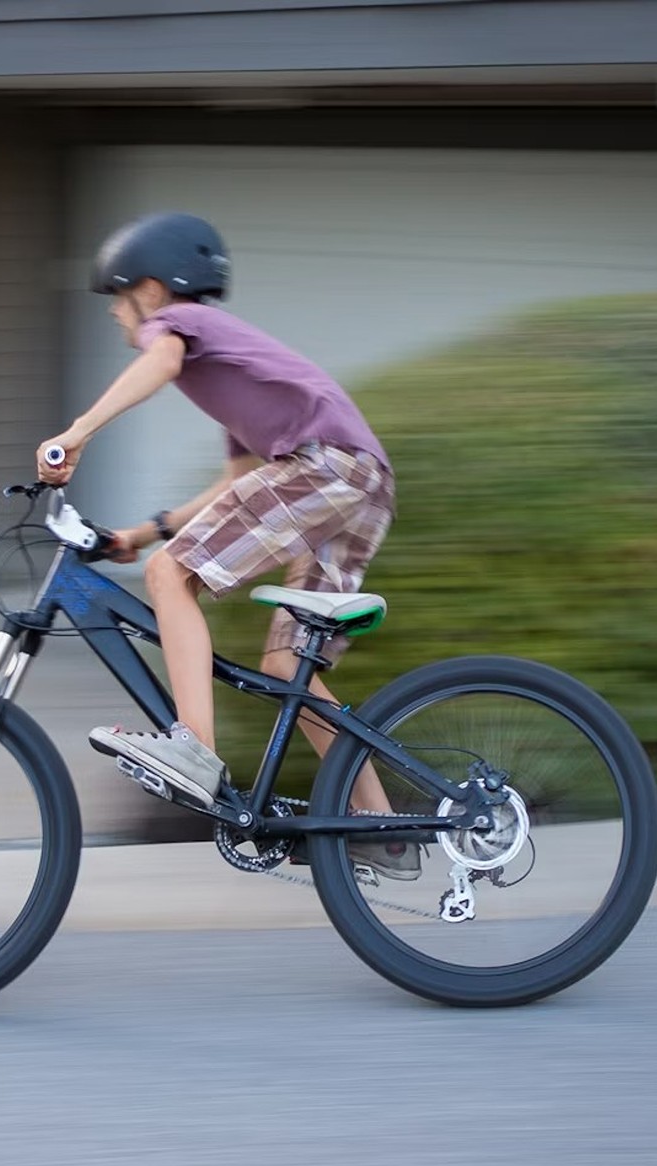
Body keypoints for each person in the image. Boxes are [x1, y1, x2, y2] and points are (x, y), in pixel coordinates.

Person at [36, 211, 415, 880]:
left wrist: (77, 433)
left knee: (169, 575)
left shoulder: (180, 326)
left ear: (151, 290)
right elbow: (237, 484)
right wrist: (142, 533)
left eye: (117, 298)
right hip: (361, 480)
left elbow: (162, 358)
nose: (115, 313)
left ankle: (193, 749)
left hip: (328, 467)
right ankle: (381, 831)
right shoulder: (227, 365)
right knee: (287, 664)